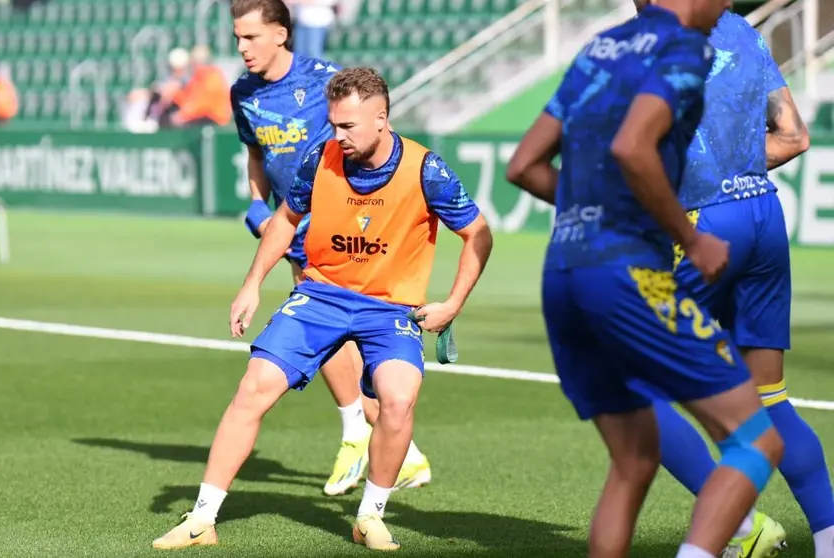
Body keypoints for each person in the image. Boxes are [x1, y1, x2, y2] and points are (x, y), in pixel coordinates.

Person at [152, 66, 492, 552]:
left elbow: (478, 233)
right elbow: (286, 220)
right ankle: (201, 520)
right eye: (333, 124)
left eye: (347, 126)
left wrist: (453, 304)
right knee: (254, 387)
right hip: (321, 296)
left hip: (388, 309)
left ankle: (369, 517)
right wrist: (252, 285)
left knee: (397, 399)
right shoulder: (322, 157)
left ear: (382, 118)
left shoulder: (426, 169)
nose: (337, 135)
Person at [506, 1, 786, 556]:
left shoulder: (598, 48)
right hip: (629, 272)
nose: (727, 5)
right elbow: (633, 147)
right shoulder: (684, 49)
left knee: (633, 463)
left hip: (562, 274)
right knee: (757, 440)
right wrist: (691, 237)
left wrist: (598, 208)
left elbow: (523, 166)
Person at [631, 6, 832, 558]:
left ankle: (737, 532)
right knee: (770, 398)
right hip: (763, 217)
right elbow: (793, 137)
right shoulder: (740, 29)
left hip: (704, 225)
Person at [228, 0, 431, 497]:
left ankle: (362, 434)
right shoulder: (243, 93)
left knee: (335, 324)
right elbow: (257, 153)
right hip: (291, 221)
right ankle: (393, 447)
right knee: (332, 330)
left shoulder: (323, 81)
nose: (241, 48)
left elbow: (358, 142)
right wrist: (257, 203)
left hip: (336, 224)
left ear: (280, 35)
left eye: (250, 37)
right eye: (237, 37)